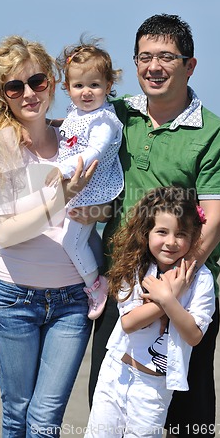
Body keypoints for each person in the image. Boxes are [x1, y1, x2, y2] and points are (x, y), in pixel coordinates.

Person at [85, 14, 220, 436]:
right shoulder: (116, 117)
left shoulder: (216, 134)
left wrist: (172, 292)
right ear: (134, 63)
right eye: (145, 57)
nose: (154, 66)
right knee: (109, 408)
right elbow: (67, 139)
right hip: (122, 286)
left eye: (167, 57)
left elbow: (215, 224)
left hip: (185, 297)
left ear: (190, 66)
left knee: (184, 418)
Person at [0, 35, 98, 438]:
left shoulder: (76, 136)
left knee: (46, 419)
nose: (29, 93)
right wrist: (62, 198)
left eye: (37, 81)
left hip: (73, 300)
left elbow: (99, 208)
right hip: (14, 298)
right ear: (2, 94)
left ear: (52, 82)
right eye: (15, 87)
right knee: (17, 413)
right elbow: (6, 233)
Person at [85, 186, 215, 437]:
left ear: (196, 235)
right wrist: (168, 299)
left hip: (154, 387)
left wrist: (167, 298)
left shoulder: (201, 279)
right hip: (115, 374)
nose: (171, 242)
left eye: (181, 234)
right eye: (162, 232)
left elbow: (194, 335)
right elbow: (129, 323)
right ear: (147, 232)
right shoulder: (136, 266)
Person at [48, 38, 124, 320]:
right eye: (79, 86)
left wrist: (62, 170)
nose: (87, 92)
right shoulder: (77, 113)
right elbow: (72, 132)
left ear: (108, 86)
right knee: (84, 234)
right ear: (67, 89)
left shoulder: (103, 120)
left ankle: (95, 285)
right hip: (82, 187)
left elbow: (94, 151)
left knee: (71, 241)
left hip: (96, 188)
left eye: (94, 85)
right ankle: (99, 269)